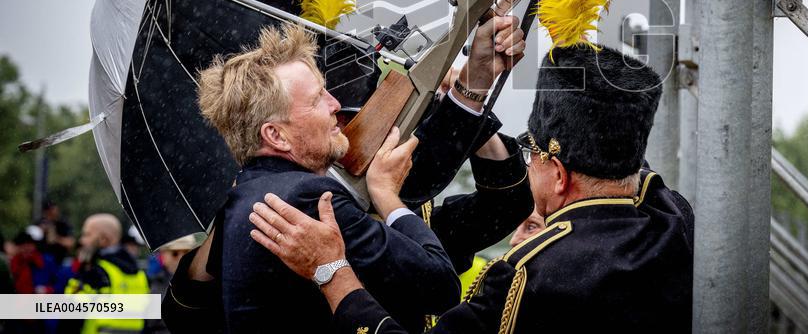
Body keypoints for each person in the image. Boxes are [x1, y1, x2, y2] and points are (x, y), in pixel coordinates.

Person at [249, 42, 696, 333]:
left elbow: (504, 203)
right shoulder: (671, 213)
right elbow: (612, 144)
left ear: (558, 173)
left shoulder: (523, 270)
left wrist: (466, 99)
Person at [166, 11, 527, 334]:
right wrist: (385, 192)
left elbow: (503, 202)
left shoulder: (258, 191)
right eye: (318, 101)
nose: (335, 110)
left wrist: (472, 82)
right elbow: (440, 286)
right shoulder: (310, 197)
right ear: (275, 135)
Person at [63, 214, 150, 334]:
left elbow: (70, 317)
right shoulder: (139, 274)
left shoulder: (94, 273)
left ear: (104, 239)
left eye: (87, 234)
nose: (82, 240)